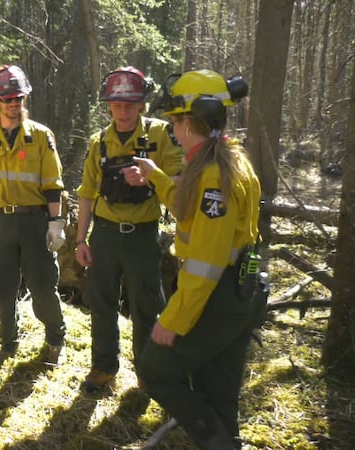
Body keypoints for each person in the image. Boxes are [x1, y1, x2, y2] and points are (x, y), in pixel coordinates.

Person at [135, 70, 257, 449]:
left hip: (217, 297)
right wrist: (157, 177)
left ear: (190, 121)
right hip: (239, 291)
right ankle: (224, 441)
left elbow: (206, 262)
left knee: (155, 368)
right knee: (217, 390)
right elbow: (190, 211)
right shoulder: (219, 159)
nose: (172, 128)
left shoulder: (214, 175)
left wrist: (172, 321)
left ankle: (216, 441)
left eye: (175, 120)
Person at [74, 66, 184, 392]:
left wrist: (154, 176)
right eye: (117, 104)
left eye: (130, 104)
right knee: (101, 301)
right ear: (108, 104)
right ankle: (104, 366)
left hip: (143, 233)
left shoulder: (162, 135)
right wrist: (81, 238)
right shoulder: (99, 143)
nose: (122, 111)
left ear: (141, 105)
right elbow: (85, 194)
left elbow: (182, 179)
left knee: (147, 304)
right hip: (105, 234)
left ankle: (148, 372)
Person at [0, 64, 67, 364]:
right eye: (7, 100)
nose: (13, 105)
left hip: (35, 220)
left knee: (42, 285)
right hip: (2, 223)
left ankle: (55, 337)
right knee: (4, 286)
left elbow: (53, 183)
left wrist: (56, 223)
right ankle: (8, 342)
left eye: (18, 99)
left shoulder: (41, 136)